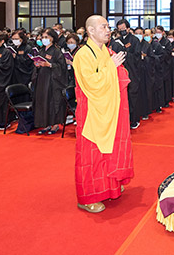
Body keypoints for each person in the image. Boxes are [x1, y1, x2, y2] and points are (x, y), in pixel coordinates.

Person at [73, 15, 134, 214]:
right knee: (91, 156)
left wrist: (112, 65)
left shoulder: (107, 51)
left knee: (108, 153)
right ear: (90, 31)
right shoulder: (83, 55)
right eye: (103, 27)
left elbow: (122, 76)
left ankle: (110, 187)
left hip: (109, 110)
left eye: (108, 26)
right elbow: (92, 84)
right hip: (92, 112)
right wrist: (110, 66)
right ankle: (88, 198)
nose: (108, 30)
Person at [32, 29, 68, 135]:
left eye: (46, 37)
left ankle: (55, 124)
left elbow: (62, 67)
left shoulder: (57, 51)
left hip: (53, 81)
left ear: (52, 38)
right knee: (42, 102)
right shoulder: (41, 50)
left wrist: (50, 65)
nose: (44, 39)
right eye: (42, 37)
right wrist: (37, 65)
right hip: (42, 80)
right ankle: (45, 124)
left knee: (52, 102)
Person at [110, 19, 144, 130]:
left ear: (128, 29)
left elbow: (137, 56)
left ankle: (133, 120)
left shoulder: (134, 40)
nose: (121, 31)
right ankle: (122, 120)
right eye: (119, 30)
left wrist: (125, 53)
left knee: (132, 96)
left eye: (123, 29)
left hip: (132, 72)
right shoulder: (117, 41)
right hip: (119, 72)